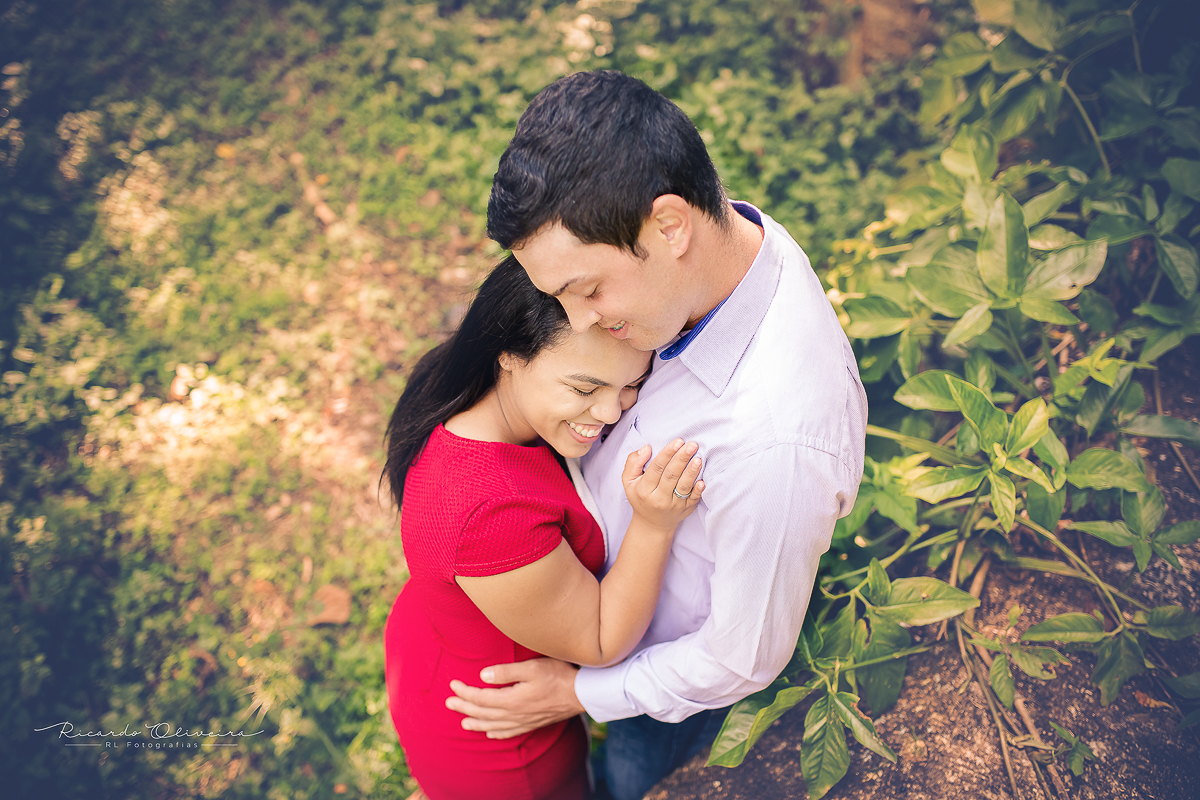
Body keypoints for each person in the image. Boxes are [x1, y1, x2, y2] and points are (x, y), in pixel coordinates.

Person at [445, 70, 868, 800]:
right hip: (594, 598)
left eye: (586, 289)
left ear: (670, 226)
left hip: (656, 684)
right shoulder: (714, 264)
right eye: (557, 297)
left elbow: (741, 658)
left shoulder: (774, 442)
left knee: (636, 781)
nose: (575, 323)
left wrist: (582, 694)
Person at [381, 255, 708, 800]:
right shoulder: (488, 512)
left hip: (450, 645)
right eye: (585, 389)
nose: (608, 413)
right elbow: (601, 638)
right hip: (503, 735)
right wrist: (654, 524)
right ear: (508, 353)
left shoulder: (472, 402)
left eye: (631, 385)